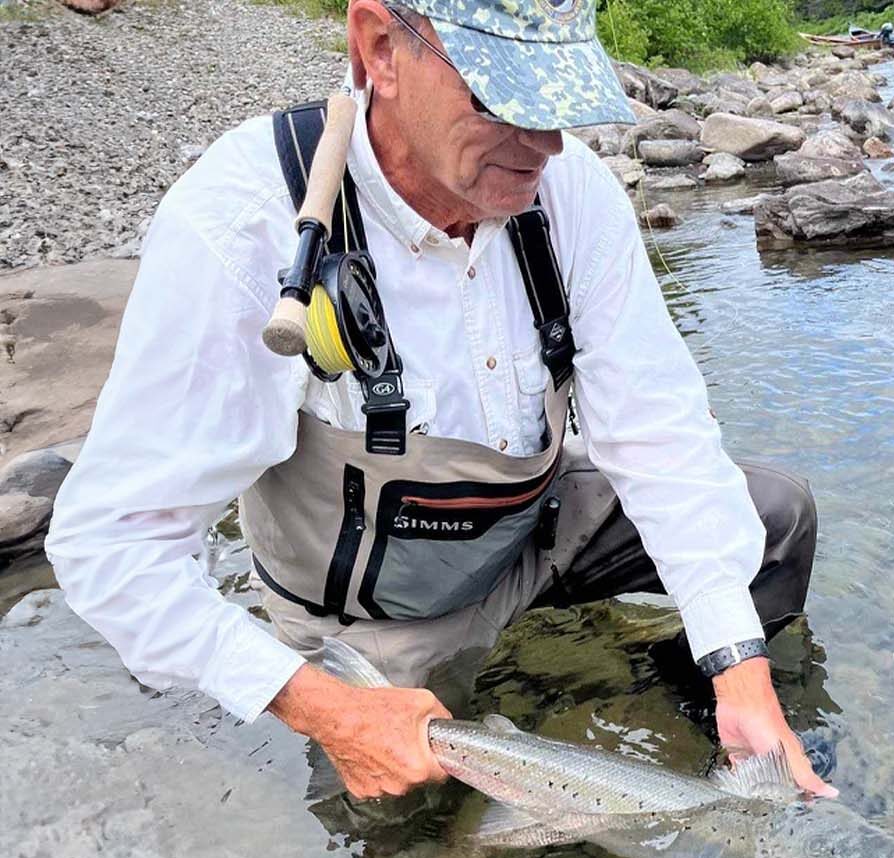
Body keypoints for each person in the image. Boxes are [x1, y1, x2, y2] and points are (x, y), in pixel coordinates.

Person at [45, 0, 835, 803]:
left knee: (776, 521)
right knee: (405, 819)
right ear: (379, 49)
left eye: (559, 102)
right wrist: (326, 710)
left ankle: (684, 715)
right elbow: (111, 545)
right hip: (375, 621)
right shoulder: (241, 223)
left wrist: (736, 668)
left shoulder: (569, 190)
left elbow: (659, 433)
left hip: (530, 534)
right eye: (503, 100)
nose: (545, 146)